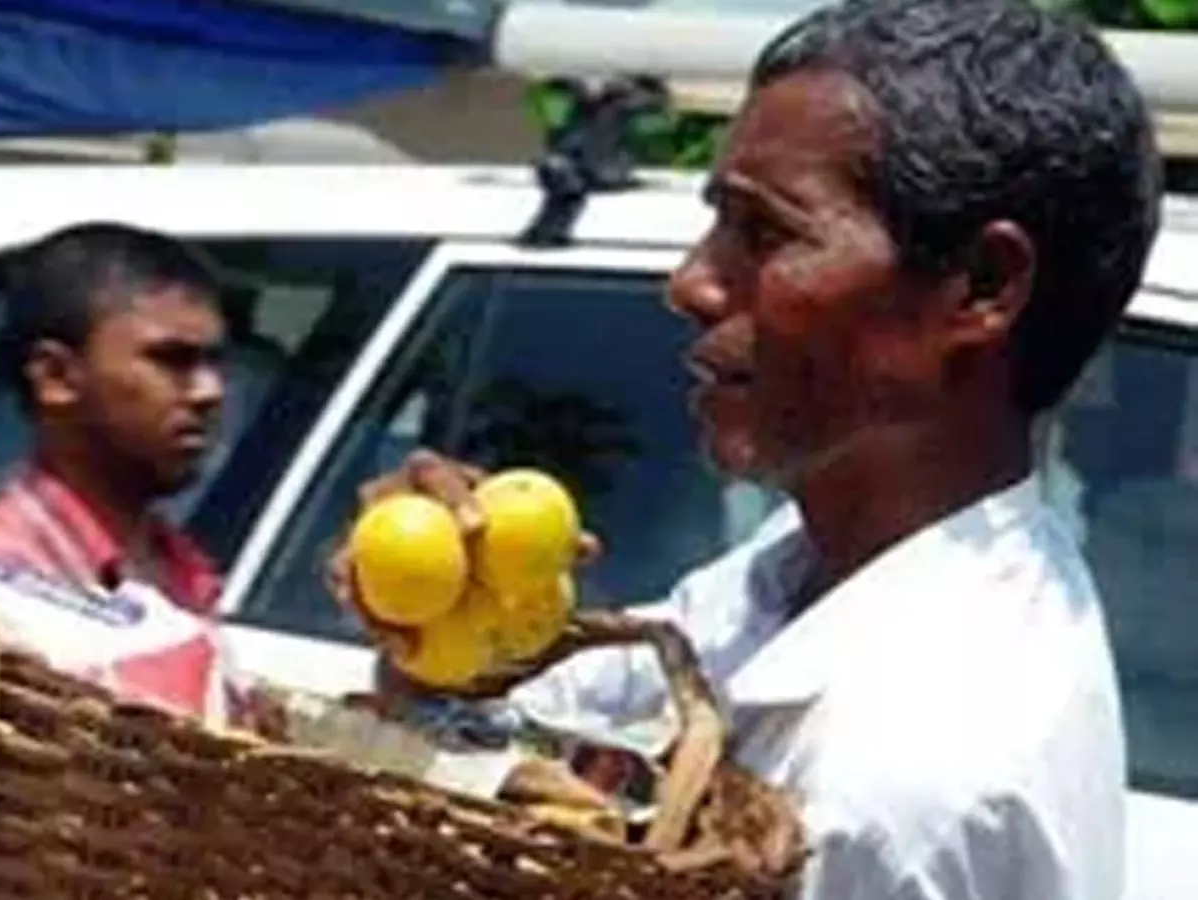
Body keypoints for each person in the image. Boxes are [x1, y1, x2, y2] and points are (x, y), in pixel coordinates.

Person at [330, 1, 1161, 898]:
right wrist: (448, 619)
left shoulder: (903, 773)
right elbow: (516, 734)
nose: (691, 282)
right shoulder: (803, 575)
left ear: (981, 288)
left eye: (766, 234)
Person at [0, 222, 233, 716]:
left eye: (213, 361)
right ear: (56, 376)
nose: (210, 391)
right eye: (172, 359)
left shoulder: (178, 567)